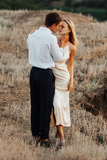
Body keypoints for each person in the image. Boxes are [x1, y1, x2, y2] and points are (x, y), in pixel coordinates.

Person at [27, 12, 65, 148]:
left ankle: (35, 134)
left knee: (35, 105)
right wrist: (61, 48)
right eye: (58, 26)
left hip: (33, 73)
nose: (58, 29)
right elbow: (58, 57)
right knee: (46, 107)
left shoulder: (32, 34)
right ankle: (44, 139)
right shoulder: (51, 38)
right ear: (53, 25)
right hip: (45, 74)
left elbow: (30, 48)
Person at [51, 19, 77, 148]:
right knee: (56, 105)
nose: (59, 28)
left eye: (63, 26)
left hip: (64, 80)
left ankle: (58, 131)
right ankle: (62, 137)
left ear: (69, 30)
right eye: (59, 26)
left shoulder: (72, 47)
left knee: (61, 107)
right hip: (52, 79)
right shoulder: (54, 41)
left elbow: (70, 65)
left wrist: (71, 80)